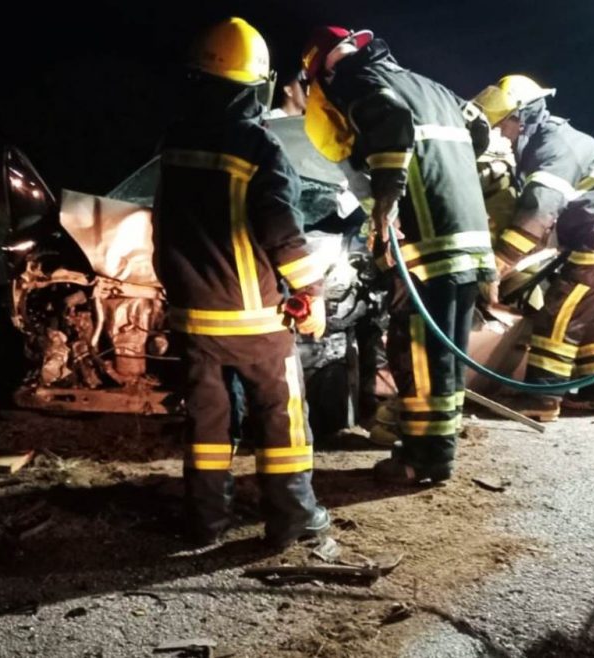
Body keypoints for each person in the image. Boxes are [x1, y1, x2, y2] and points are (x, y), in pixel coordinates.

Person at [152, 17, 330, 549]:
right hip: (255, 321)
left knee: (208, 423)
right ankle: (292, 520)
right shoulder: (259, 147)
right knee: (281, 417)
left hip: (194, 317)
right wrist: (311, 295)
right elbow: (282, 233)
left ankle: (205, 522)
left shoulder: (176, 140)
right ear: (258, 85)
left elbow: (164, 222)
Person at [300, 26, 495, 484]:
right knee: (446, 354)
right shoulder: (429, 86)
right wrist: (445, 173)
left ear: (325, 68)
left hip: (428, 241)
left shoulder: (359, 82)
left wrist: (386, 204)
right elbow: (480, 128)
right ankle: (437, 448)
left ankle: (422, 461)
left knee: (418, 355)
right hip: (467, 236)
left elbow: (392, 124)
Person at [475, 75, 594, 422]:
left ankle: (541, 399)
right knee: (586, 314)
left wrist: (501, 261)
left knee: (558, 315)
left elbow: (540, 210)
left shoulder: (553, 148)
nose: (497, 133)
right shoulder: (547, 141)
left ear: (521, 118)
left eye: (500, 124)